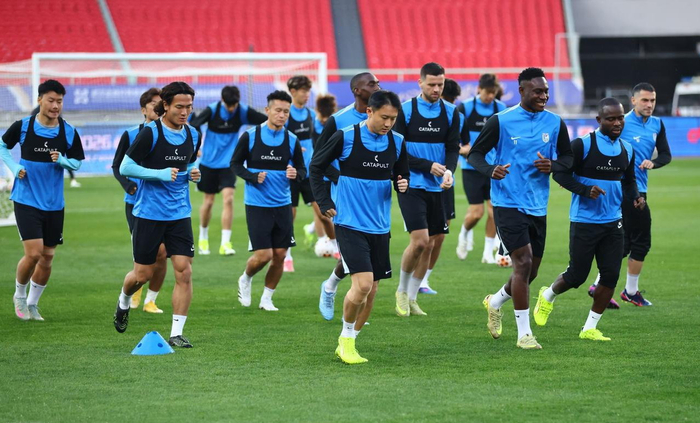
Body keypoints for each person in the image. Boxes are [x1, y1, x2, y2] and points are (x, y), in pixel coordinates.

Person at [468, 67, 573, 350]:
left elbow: (568, 158)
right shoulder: (500, 121)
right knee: (523, 263)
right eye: (537, 91)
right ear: (522, 91)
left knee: (530, 272)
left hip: (538, 205)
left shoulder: (555, 123)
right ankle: (524, 334)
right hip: (507, 203)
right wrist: (490, 169)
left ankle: (495, 301)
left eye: (546, 91)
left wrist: (554, 165)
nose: (544, 96)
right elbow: (476, 154)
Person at [310, 90, 409, 364]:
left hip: (379, 225)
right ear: (369, 112)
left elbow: (402, 174)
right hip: (349, 222)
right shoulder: (346, 137)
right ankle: (345, 341)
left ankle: (351, 339)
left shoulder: (398, 142)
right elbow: (316, 166)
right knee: (363, 285)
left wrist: (402, 183)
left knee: (372, 290)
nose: (388, 123)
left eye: (393, 119)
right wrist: (324, 201)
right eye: (384, 117)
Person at [533, 98, 645, 340]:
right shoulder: (582, 145)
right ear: (599, 120)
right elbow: (559, 174)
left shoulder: (627, 149)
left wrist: (636, 197)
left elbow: (628, 181)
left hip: (613, 222)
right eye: (611, 119)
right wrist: (585, 190)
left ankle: (589, 328)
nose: (617, 123)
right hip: (584, 220)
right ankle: (547, 296)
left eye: (621, 118)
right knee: (577, 276)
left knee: (610, 277)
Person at [113, 82, 201, 349]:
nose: (185, 112)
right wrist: (159, 174)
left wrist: (194, 173)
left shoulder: (193, 133)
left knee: (184, 271)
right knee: (142, 275)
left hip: (179, 213)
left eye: (189, 107)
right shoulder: (150, 133)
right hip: (149, 214)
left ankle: (176, 333)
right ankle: (123, 301)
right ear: (165, 105)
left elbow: (190, 163)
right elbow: (125, 167)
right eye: (179, 107)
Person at [1, 79, 84, 321]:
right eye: (51, 100)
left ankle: (33, 304)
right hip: (26, 198)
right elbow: (2, 146)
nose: (55, 106)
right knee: (34, 253)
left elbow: (77, 162)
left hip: (54, 203)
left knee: (47, 257)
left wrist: (63, 161)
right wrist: (14, 167)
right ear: (39, 100)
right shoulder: (23, 126)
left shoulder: (68, 131)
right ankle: (19, 294)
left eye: (59, 101)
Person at [588, 83, 672, 306]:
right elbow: (595, 145)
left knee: (623, 241)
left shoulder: (657, 124)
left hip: (638, 189)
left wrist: (653, 163)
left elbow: (666, 154)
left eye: (652, 100)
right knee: (640, 241)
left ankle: (600, 285)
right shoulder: (620, 122)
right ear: (633, 101)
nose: (649, 105)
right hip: (624, 189)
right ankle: (629, 291)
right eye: (645, 100)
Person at [392, 62, 460, 317]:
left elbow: (452, 148)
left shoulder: (451, 112)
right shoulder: (406, 110)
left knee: (431, 245)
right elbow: (397, 150)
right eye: (431, 84)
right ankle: (401, 291)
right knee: (420, 241)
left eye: (440, 84)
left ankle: (412, 297)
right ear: (420, 83)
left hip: (439, 187)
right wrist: (427, 165)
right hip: (411, 184)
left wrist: (449, 171)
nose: (436, 89)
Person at [232, 90, 306, 311]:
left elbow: (302, 169)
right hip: (257, 205)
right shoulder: (251, 136)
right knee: (264, 255)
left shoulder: (292, 139)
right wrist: (252, 176)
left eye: (286, 112)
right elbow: (235, 164)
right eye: (278, 110)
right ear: (267, 110)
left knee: (280, 255)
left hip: (282, 204)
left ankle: (266, 298)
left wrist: (296, 173)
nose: (282, 115)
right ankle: (245, 278)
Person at [316, 73, 381, 321]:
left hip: (375, 200)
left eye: (378, 83)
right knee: (355, 254)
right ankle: (334, 294)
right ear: (356, 90)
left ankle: (332, 286)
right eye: (371, 84)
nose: (377, 87)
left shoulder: (384, 118)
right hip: (345, 198)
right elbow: (319, 159)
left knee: (362, 257)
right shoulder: (338, 120)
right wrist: (341, 178)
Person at [190, 85, 267, 256]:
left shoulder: (242, 111)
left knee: (229, 199)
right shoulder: (212, 110)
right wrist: (196, 147)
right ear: (222, 100)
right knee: (208, 201)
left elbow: (265, 121)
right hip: (208, 163)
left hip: (228, 164)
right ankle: (203, 238)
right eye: (229, 105)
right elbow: (194, 124)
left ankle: (225, 243)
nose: (232, 108)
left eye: (234, 105)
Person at [112, 87, 166, 313]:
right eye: (154, 104)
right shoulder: (131, 134)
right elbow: (117, 166)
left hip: (164, 204)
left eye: (162, 103)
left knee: (162, 254)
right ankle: (133, 292)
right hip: (137, 204)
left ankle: (150, 301)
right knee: (144, 255)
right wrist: (129, 185)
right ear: (144, 110)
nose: (159, 108)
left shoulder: (171, 134)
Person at [416, 78, 467, 295]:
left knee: (440, 235)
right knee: (424, 239)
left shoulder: (455, 115)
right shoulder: (416, 113)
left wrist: (450, 169)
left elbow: (461, 145)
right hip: (420, 182)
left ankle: (424, 279)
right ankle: (414, 281)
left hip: (445, 180)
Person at [456, 74, 507, 263]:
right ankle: (464, 232)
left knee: (494, 211)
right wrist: (462, 149)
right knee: (477, 213)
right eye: (487, 92)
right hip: (471, 167)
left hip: (492, 168)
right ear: (479, 89)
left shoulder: (500, 109)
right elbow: (454, 136)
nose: (490, 96)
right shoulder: (466, 108)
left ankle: (487, 253)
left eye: (493, 92)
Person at [284, 75, 326, 272]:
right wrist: (291, 150)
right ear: (293, 92)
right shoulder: (286, 114)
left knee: (323, 211)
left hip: (310, 173)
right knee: (290, 216)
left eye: (308, 91)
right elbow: (279, 139)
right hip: (291, 173)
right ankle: (286, 256)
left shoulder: (310, 114)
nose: (307, 95)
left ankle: (331, 246)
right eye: (303, 91)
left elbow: (320, 137)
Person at [302, 93, 338, 246]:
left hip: (334, 173)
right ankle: (323, 242)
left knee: (333, 211)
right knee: (322, 210)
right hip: (318, 175)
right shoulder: (312, 125)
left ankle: (311, 229)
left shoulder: (337, 123)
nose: (324, 119)